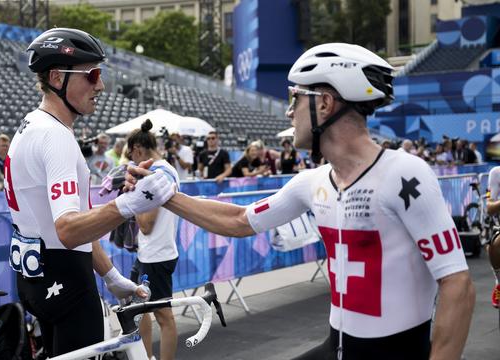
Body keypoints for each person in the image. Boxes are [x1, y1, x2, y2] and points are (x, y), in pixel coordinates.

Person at [133, 43, 474, 359]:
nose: (288, 112)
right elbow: (239, 220)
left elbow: (457, 284)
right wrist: (166, 196)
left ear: (324, 103)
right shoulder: (312, 182)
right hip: (336, 344)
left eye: (294, 98)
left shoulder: (405, 174)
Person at [6, 28, 176, 357]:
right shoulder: (55, 137)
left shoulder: (31, 125)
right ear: (56, 77)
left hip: (37, 275)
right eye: (92, 74)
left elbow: (75, 222)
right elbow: (69, 230)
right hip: (66, 279)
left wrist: (110, 275)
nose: (100, 85)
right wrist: (129, 204)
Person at [127, 119, 180, 360]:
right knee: (139, 310)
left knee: (163, 316)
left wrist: (132, 195)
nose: (132, 161)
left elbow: (146, 225)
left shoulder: (155, 174)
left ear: (138, 148)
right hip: (152, 253)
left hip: (156, 254)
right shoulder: (167, 169)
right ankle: (146, 356)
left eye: (131, 154)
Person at [484, 166, 500, 308]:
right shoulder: (496, 173)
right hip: (499, 226)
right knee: (496, 244)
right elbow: (489, 208)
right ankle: (499, 282)